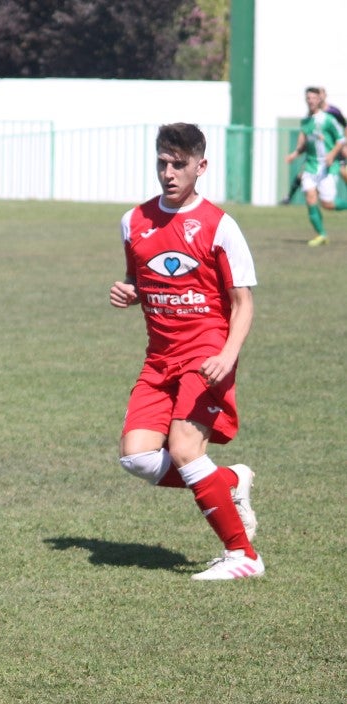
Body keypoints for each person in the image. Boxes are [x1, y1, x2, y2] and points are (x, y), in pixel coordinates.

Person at [110, 123, 262, 582]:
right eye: (162, 162)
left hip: (206, 355)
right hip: (159, 358)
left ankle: (243, 556)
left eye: (179, 164)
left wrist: (227, 355)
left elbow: (243, 303)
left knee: (184, 447)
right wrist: (129, 291)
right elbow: (140, 278)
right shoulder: (133, 221)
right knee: (136, 457)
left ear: (201, 166)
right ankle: (229, 482)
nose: (169, 172)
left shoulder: (220, 226)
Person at [283, 86, 347, 246]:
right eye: (308, 98)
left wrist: (332, 155)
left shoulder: (328, 119)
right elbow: (303, 144)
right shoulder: (306, 122)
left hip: (326, 168)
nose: (310, 100)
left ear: (319, 99)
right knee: (310, 197)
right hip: (311, 167)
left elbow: (341, 140)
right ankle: (322, 234)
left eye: (313, 97)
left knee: (328, 204)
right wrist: (294, 154)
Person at [282, 93, 347, 204]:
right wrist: (296, 153)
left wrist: (342, 146)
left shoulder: (333, 112)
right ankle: (289, 197)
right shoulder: (310, 116)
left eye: (317, 96)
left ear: (323, 96)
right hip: (316, 156)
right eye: (309, 98)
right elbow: (306, 137)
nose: (312, 100)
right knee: (302, 175)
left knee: (343, 174)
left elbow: (343, 127)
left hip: (333, 152)